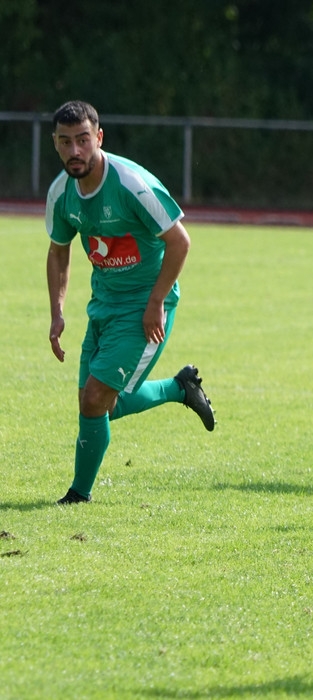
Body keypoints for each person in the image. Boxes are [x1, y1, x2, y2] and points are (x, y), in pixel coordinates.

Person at [45, 100, 216, 505]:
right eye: (66, 142)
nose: (75, 150)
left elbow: (180, 241)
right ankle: (180, 388)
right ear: (55, 143)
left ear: (99, 138)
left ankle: (78, 496)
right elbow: (58, 251)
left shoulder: (131, 184)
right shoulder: (61, 193)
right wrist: (57, 312)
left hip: (145, 307)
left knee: (94, 399)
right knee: (99, 405)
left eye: (83, 140)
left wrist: (156, 302)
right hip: (103, 305)